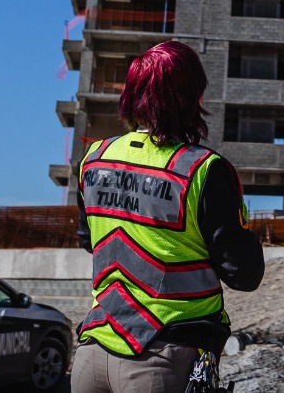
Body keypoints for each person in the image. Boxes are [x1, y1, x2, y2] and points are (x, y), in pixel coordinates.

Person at [72, 39, 264, 393]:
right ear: (191, 99)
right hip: (164, 357)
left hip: (93, 351)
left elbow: (88, 240)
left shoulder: (94, 158)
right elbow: (244, 274)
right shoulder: (204, 170)